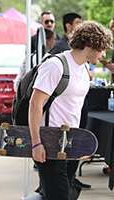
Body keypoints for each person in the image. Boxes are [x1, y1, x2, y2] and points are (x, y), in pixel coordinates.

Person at [29, 21, 112, 200]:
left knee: (62, 193)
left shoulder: (83, 69)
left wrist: (81, 143)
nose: (104, 54)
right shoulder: (56, 65)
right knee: (59, 195)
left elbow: (74, 108)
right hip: (50, 141)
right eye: (102, 49)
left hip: (70, 142)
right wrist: (36, 143)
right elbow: (35, 105)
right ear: (88, 46)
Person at [48, 12, 92, 190]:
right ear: (68, 25)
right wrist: (36, 142)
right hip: (56, 129)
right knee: (57, 185)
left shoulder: (82, 62)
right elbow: (37, 103)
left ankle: (71, 180)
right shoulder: (59, 52)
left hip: (73, 119)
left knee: (67, 179)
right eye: (78, 23)